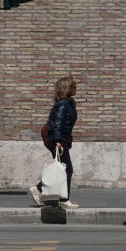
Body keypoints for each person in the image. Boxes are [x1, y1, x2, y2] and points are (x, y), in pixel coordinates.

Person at [29, 74, 79, 210]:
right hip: (57, 139)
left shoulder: (66, 103)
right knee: (66, 169)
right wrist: (58, 140)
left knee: (62, 169)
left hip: (60, 138)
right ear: (68, 89)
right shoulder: (63, 105)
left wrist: (67, 137)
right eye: (75, 87)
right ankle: (59, 198)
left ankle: (47, 192)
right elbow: (58, 123)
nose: (76, 89)